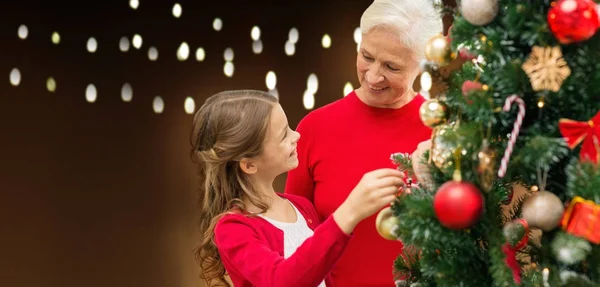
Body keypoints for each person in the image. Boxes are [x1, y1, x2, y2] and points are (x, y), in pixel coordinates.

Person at [284, 1, 443, 286]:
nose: (373, 76)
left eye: (392, 66)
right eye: (366, 56)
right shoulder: (314, 128)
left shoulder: (442, 134)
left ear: (422, 65)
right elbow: (294, 242)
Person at [191, 90, 406, 287]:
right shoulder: (233, 229)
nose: (297, 136)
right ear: (249, 164)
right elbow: (283, 281)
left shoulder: (301, 207)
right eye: (284, 135)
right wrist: (349, 212)